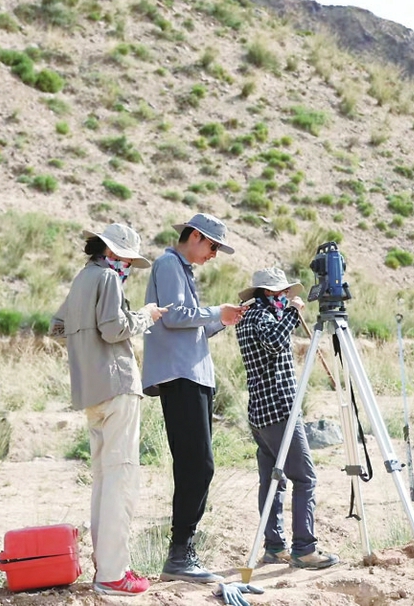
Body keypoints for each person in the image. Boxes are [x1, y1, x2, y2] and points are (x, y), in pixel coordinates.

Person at [50, 223, 167, 596]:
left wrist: (85, 345)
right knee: (121, 478)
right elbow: (114, 329)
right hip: (117, 385)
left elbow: (57, 327)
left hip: (90, 390)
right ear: (114, 253)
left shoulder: (81, 280)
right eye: (127, 260)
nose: (128, 266)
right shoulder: (109, 279)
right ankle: (114, 574)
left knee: (103, 480)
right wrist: (145, 316)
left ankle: (108, 568)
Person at [142, 213, 246, 583]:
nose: (213, 254)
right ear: (196, 236)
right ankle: (180, 554)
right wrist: (217, 312)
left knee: (197, 465)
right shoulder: (169, 264)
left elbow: (189, 325)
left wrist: (222, 319)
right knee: (197, 466)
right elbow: (174, 317)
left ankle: (182, 552)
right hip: (181, 376)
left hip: (192, 375)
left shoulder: (181, 269)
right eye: (213, 246)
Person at [234, 267, 340, 570]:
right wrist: (293, 313)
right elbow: (275, 342)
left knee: (272, 482)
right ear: (269, 293)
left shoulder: (249, 317)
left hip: (261, 413)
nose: (287, 297)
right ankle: (304, 549)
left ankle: (275, 547)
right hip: (280, 411)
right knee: (304, 478)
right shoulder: (262, 317)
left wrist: (286, 314)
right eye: (283, 293)